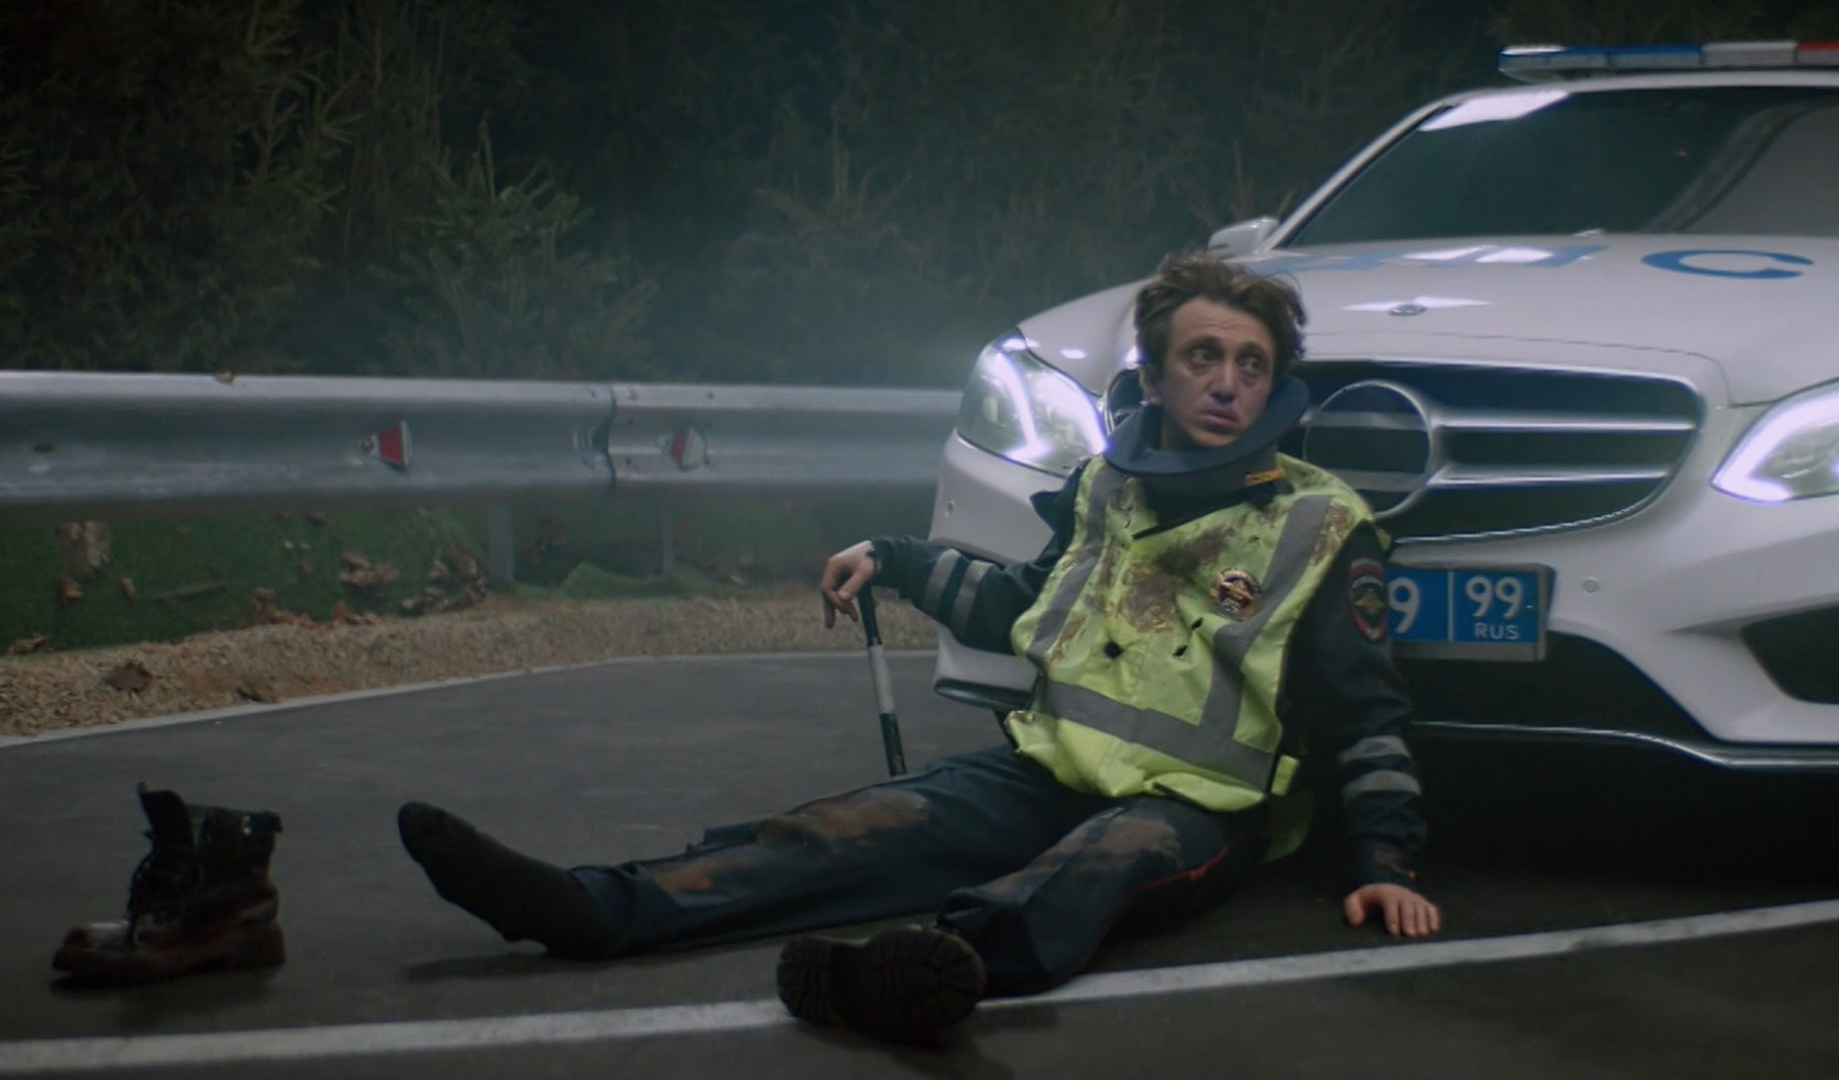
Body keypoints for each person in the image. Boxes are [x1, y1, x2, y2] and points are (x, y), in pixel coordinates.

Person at [398, 252, 1440, 1045]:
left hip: (1198, 810)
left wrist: (1385, 862)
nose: (1226, 383)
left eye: (1252, 365)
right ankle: (592, 907)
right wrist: (893, 560)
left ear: (1274, 388)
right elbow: (1023, 605)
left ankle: (919, 972)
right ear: (1157, 378)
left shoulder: (1321, 524)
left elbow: (1367, 711)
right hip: (1049, 769)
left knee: (1095, 871)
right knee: (852, 828)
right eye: (1201, 357)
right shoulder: (1106, 489)